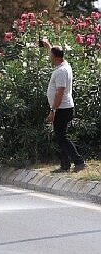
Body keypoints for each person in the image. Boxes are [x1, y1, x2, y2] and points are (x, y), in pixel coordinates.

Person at [40, 39, 86, 173]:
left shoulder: (61, 71)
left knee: (62, 137)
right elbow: (53, 53)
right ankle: (65, 165)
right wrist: (48, 45)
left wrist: (52, 111)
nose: (49, 57)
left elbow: (60, 93)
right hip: (63, 108)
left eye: (50, 55)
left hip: (62, 108)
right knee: (60, 137)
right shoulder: (64, 65)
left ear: (54, 57)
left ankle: (79, 161)